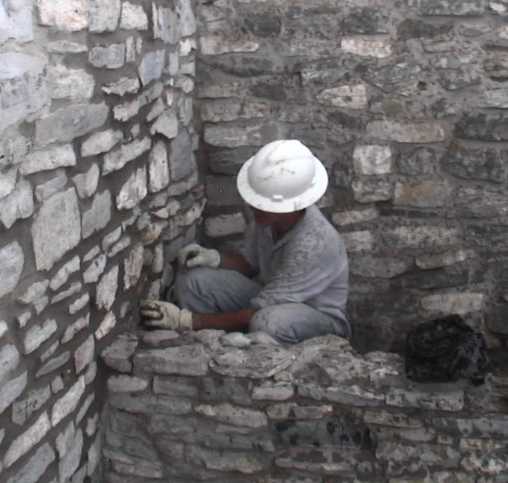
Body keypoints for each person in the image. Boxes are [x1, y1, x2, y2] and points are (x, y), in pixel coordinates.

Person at [140, 139, 351, 347]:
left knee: (268, 321)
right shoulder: (270, 219)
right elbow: (250, 264)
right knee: (193, 280)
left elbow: (257, 311)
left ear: (291, 205)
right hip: (271, 300)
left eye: (264, 204)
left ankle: (269, 367)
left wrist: (187, 320)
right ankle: (207, 350)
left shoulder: (314, 244)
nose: (254, 207)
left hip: (316, 321)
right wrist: (213, 258)